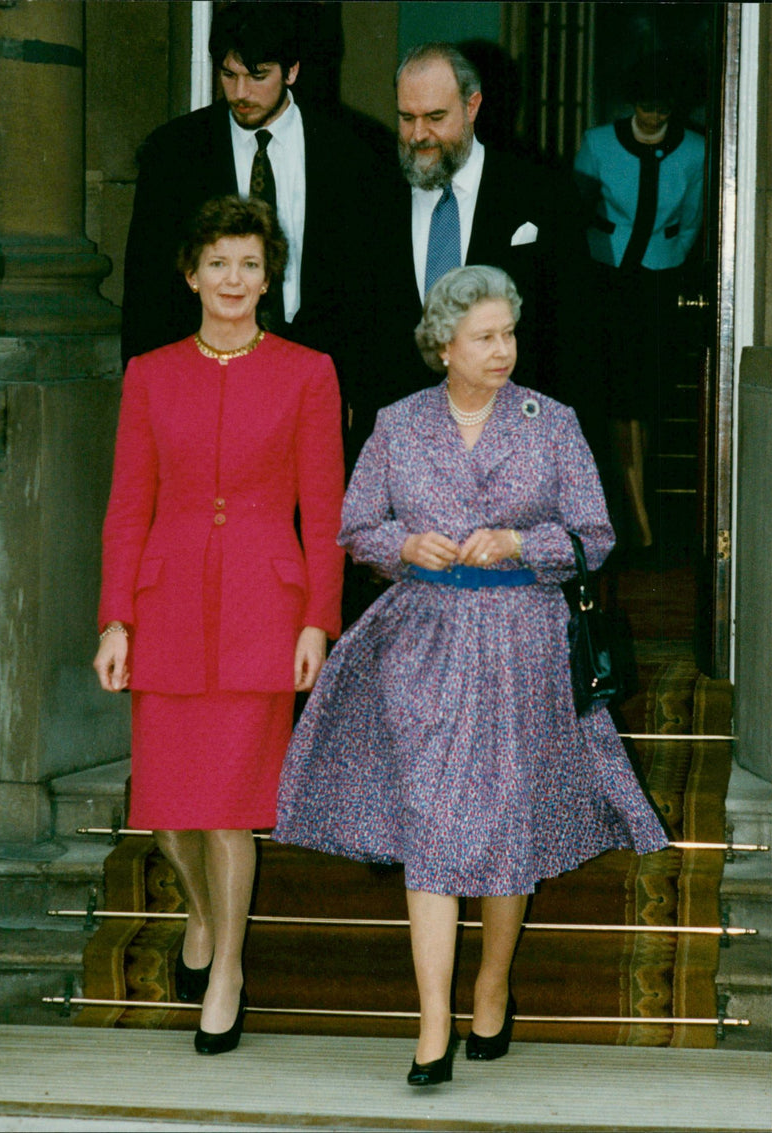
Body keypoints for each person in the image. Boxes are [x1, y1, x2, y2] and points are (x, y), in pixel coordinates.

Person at [274, 265, 668, 1086]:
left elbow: (596, 535)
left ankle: (491, 983)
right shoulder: (396, 424)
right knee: (430, 825)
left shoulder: (550, 422)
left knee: (505, 823)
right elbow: (356, 525)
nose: (503, 350)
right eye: (486, 336)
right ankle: (430, 1025)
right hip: (423, 643)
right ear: (443, 345)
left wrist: (523, 544)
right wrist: (401, 547)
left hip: (524, 642)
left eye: (509, 333)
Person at [94, 195, 345, 1056]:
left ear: (269, 277)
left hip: (262, 612)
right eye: (218, 264)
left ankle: (228, 967)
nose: (233, 280)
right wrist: (114, 619)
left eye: (249, 264)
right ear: (192, 274)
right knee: (169, 811)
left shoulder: (309, 371)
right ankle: (202, 914)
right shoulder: (151, 374)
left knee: (230, 808)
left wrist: (319, 618)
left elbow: (328, 506)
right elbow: (127, 508)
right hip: (165, 608)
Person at [121, 1, 380, 417]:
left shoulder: (352, 155)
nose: (240, 94)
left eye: (258, 76)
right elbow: (145, 292)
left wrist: (360, 399)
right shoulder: (174, 154)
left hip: (316, 386)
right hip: (202, 388)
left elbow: (368, 292)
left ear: (291, 71)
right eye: (229, 75)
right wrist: (149, 402)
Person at [352, 43, 597, 464]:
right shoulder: (369, 198)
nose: (418, 135)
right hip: (400, 454)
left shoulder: (540, 194)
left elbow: (574, 337)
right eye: (406, 118)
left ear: (472, 106)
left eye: (435, 117)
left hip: (513, 447)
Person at [573, 56, 705, 553]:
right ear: (631, 101)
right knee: (614, 398)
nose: (651, 117)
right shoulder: (598, 143)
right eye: (644, 106)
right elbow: (577, 209)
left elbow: (692, 220)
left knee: (644, 398)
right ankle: (631, 518)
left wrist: (670, 257)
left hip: (657, 285)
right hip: (605, 280)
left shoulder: (695, 151)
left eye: (662, 108)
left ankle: (639, 511)